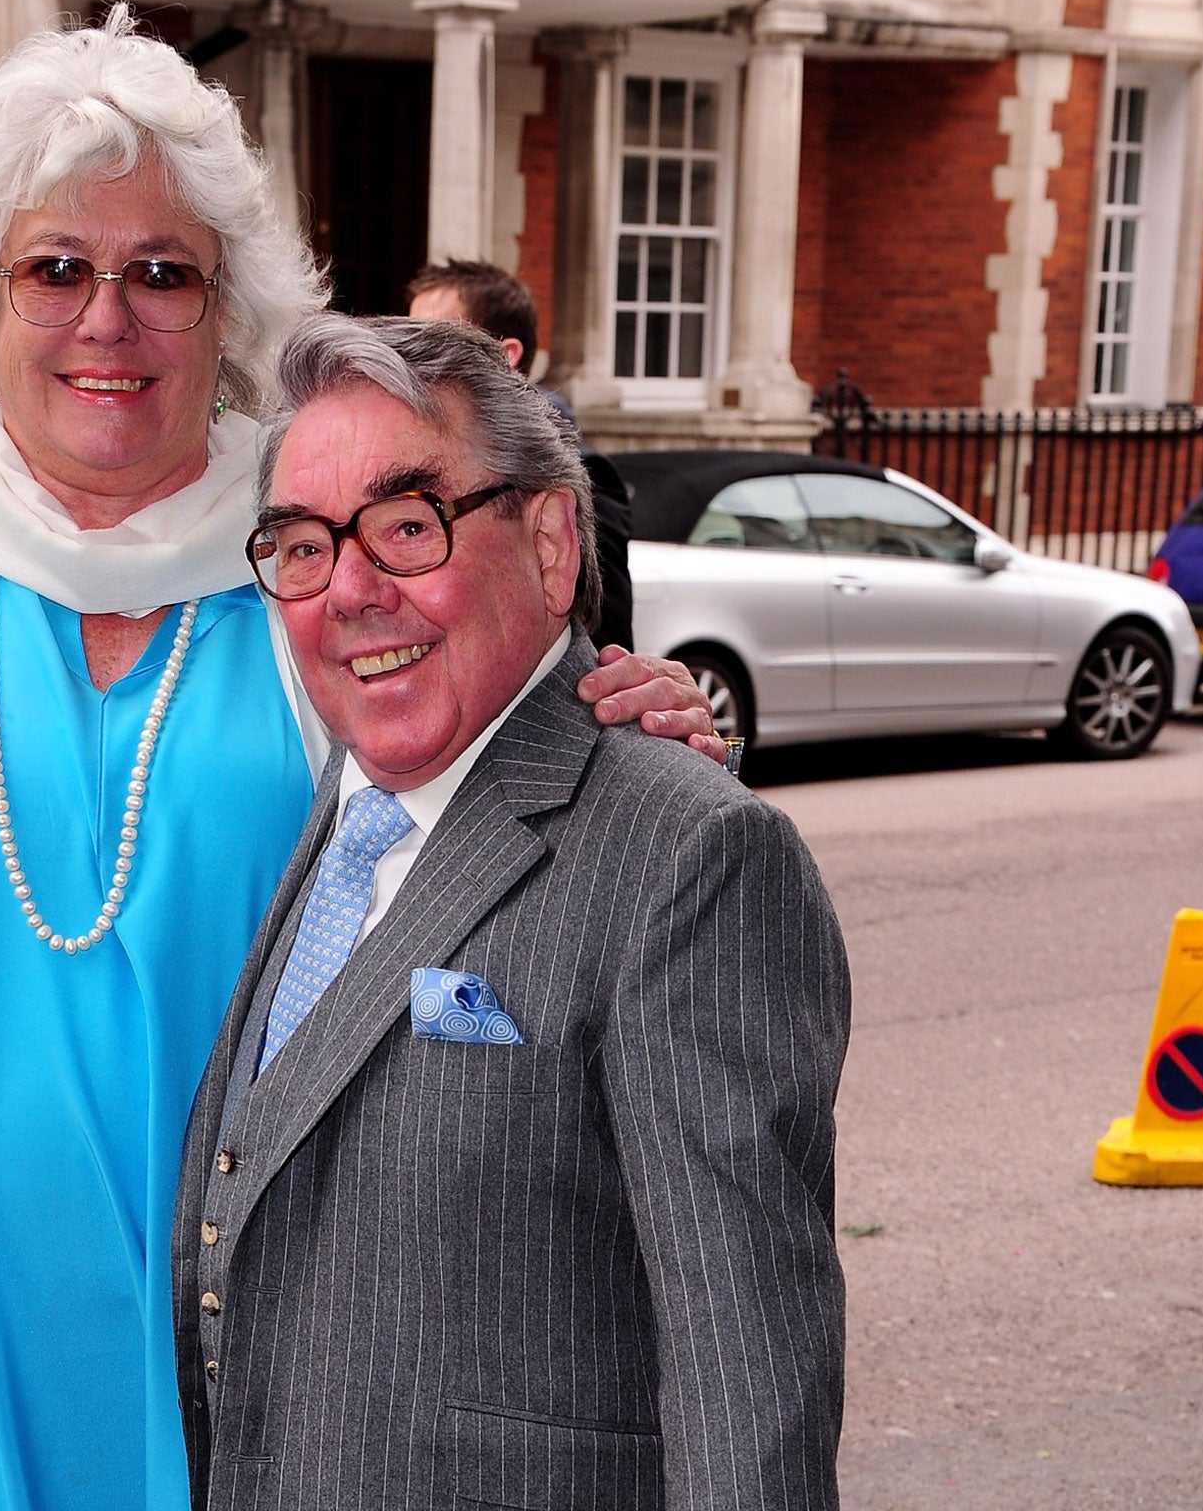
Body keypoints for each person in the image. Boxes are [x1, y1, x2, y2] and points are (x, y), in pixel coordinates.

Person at [0, 10, 724, 1511]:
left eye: (162, 274)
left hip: (298, 1313)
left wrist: (632, 736)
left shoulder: (318, 568)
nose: (107, 319)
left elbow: (527, 786)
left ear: (227, 313)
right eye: (56, 268)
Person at [174, 314, 851, 1510]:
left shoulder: (692, 857)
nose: (351, 593)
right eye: (300, 547)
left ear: (548, 541)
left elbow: (744, 1377)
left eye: (404, 527)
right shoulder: (347, 789)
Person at [407, 259, 638, 651]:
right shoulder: (421, 461)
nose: (411, 359)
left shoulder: (578, 472)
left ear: (505, 354)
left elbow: (604, 635)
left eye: (435, 340)